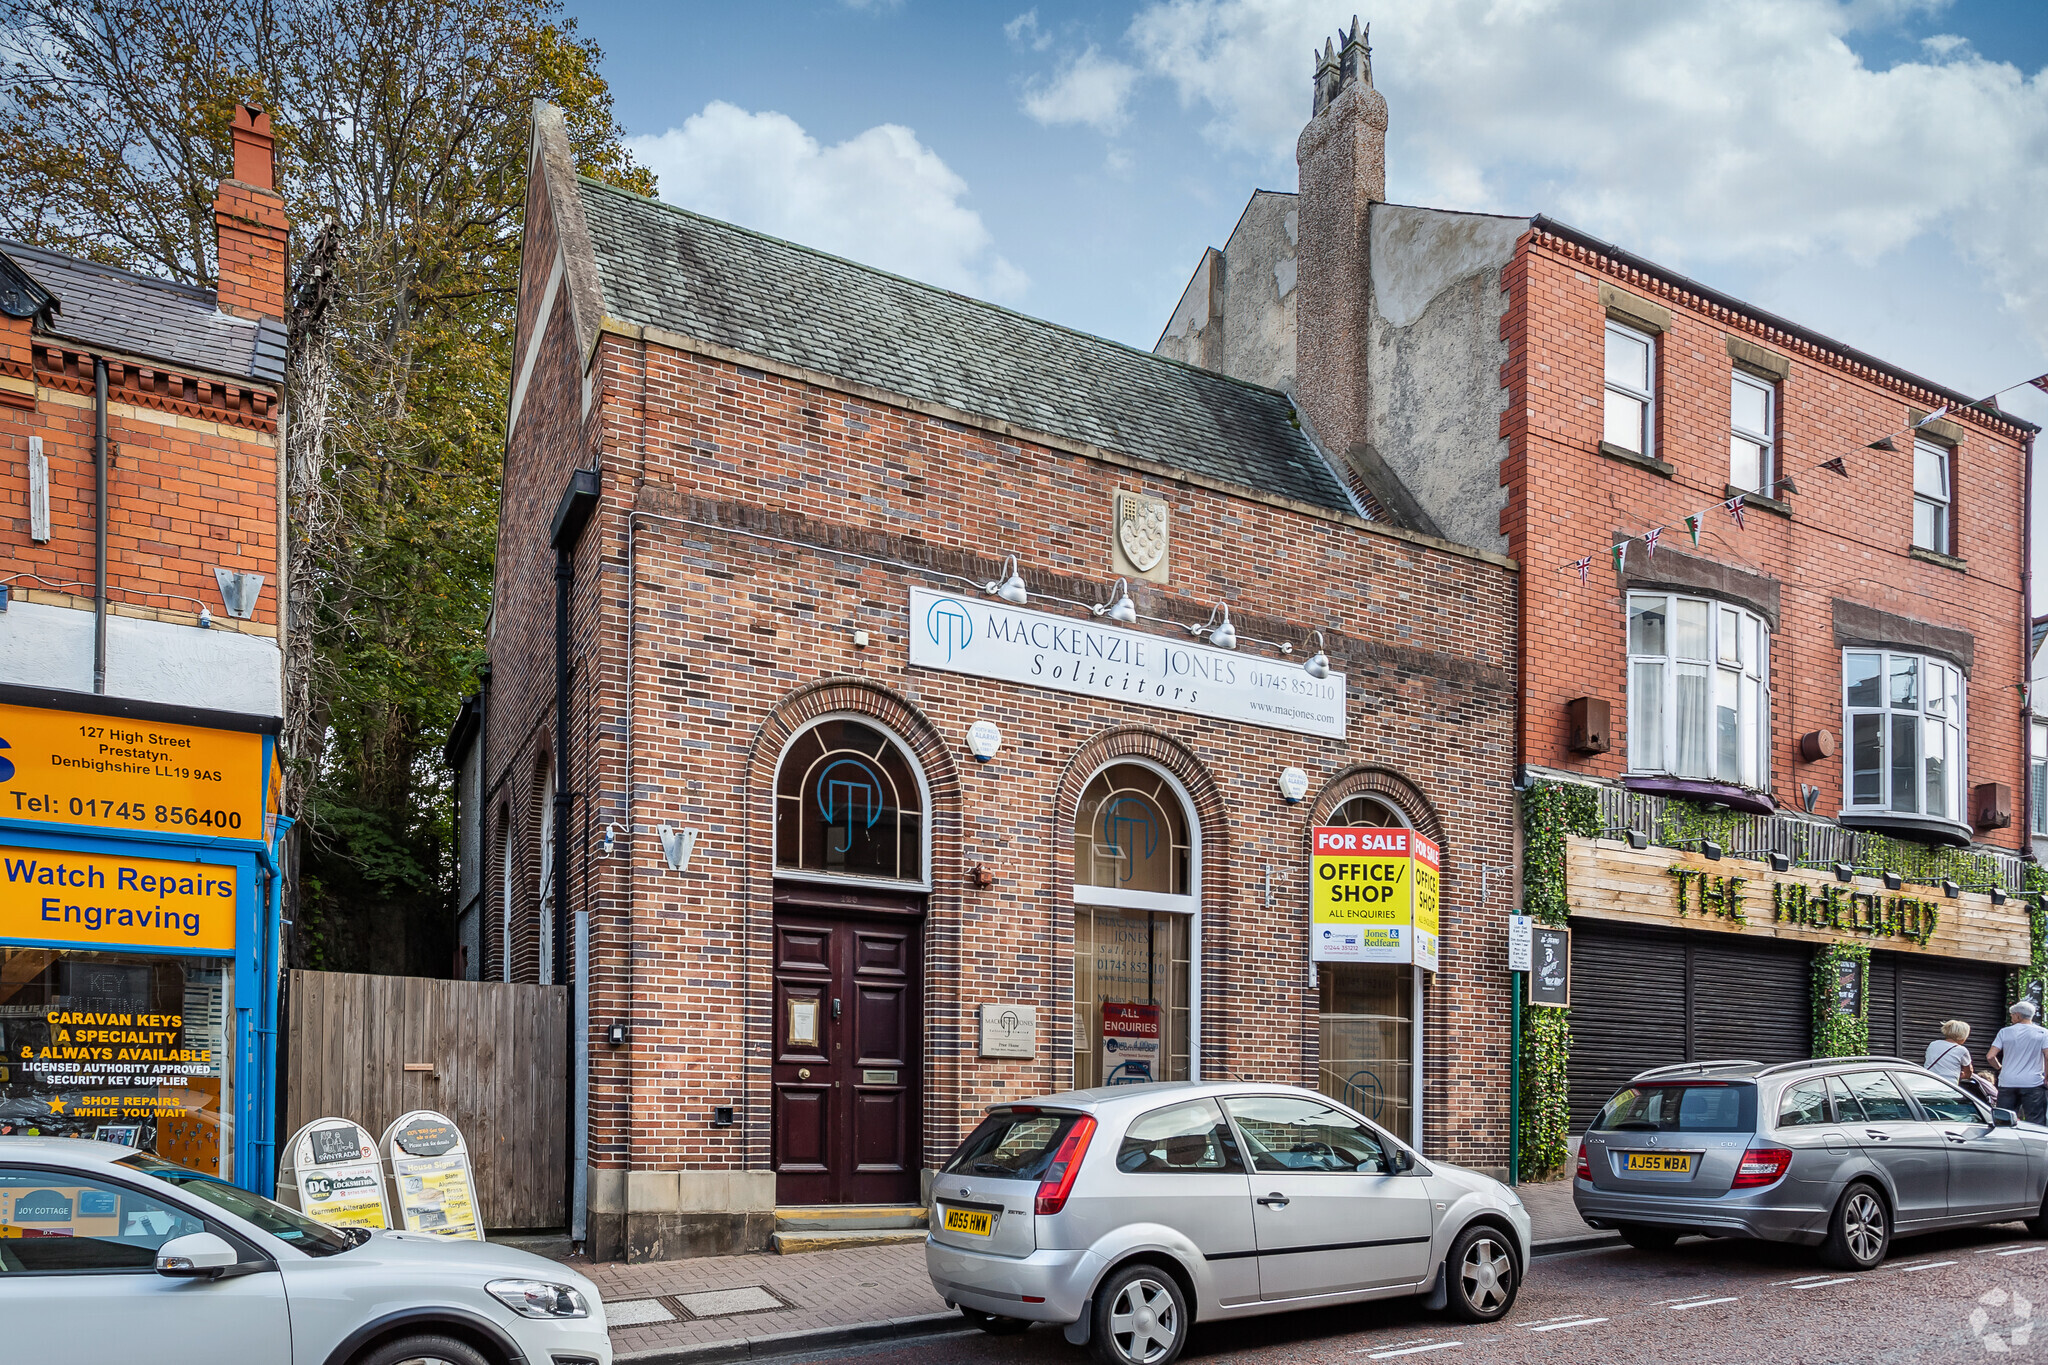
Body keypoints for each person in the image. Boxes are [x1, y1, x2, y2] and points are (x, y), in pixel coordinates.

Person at [1988, 1001, 2048, 1123]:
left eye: (2012, 1015)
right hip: (2033, 1083)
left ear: (2018, 1016)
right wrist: (2046, 1076)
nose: (2011, 1017)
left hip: (2007, 1082)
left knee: (2003, 1121)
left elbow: (1990, 1056)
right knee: (2035, 1122)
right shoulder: (2043, 1033)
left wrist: (2000, 1068)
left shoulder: (2004, 1032)